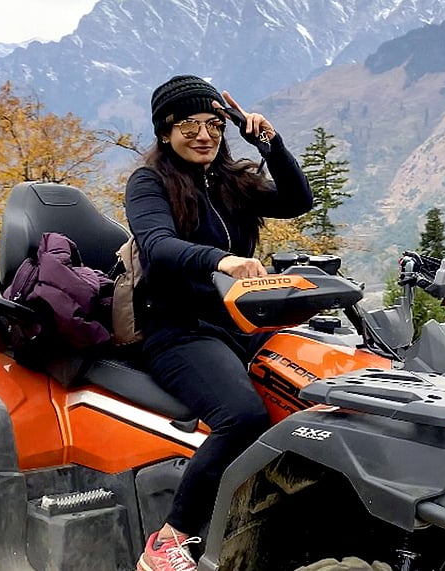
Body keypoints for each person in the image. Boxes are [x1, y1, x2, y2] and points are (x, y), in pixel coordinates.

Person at [126, 74, 312, 571]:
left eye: (213, 124)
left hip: (243, 323)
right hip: (179, 331)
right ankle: (169, 539)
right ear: (165, 131)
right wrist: (220, 260)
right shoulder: (149, 183)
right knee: (242, 416)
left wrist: (271, 146)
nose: (204, 135)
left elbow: (298, 201)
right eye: (189, 125)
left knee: (316, 389)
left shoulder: (232, 181)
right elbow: (158, 246)